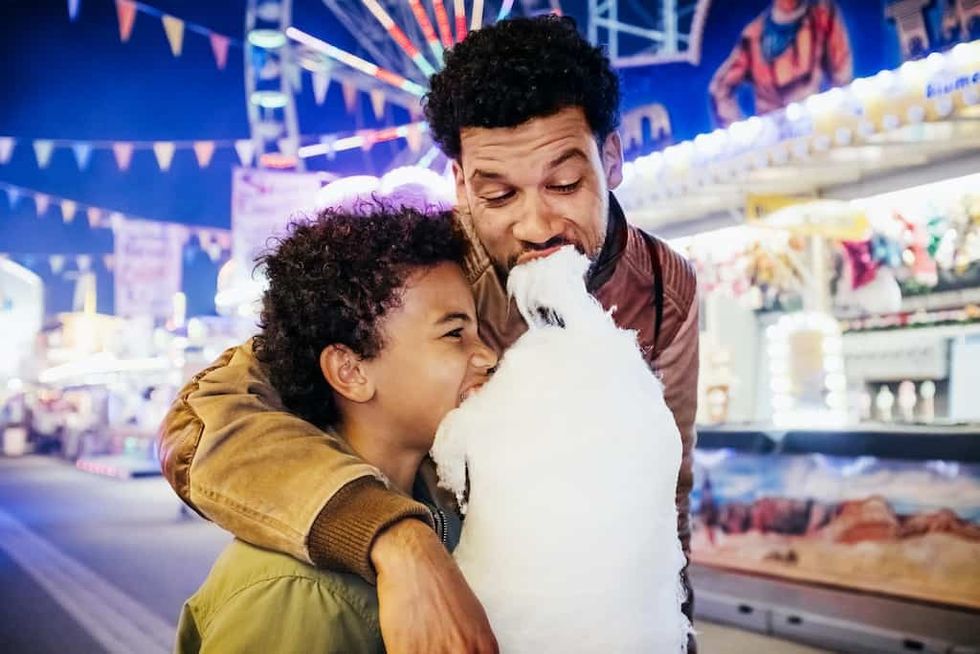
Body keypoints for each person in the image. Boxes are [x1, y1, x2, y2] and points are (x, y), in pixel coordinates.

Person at [160, 15, 699, 653]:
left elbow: (668, 498)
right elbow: (205, 426)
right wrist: (395, 537)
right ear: (460, 184)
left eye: (564, 184)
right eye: (497, 194)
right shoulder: (429, 270)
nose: (536, 224)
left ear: (612, 158)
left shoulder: (662, 289)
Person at [176, 202, 498, 653]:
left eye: (478, 331)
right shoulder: (295, 595)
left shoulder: (443, 508)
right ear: (350, 372)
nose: (487, 356)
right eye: (454, 334)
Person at [709, 0, 853, 127]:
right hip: (773, 141)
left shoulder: (822, 16)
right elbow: (719, 89)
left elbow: (841, 74)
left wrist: (837, 120)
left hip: (813, 128)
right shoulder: (753, 35)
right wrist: (741, 134)